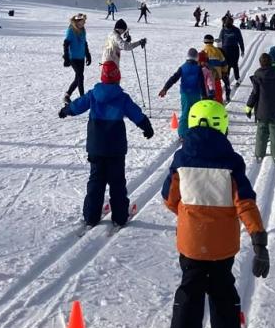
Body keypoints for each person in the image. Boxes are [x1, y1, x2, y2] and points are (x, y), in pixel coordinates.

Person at [161, 99, 269, 328]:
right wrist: (259, 241)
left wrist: (189, 214)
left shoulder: (181, 159)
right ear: (222, 125)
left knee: (189, 294)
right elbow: (245, 203)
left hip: (191, 244)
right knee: (223, 293)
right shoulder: (232, 162)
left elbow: (169, 199)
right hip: (222, 246)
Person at [59, 62, 154, 228]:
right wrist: (147, 127)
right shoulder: (122, 97)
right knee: (117, 182)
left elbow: (78, 105)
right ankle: (120, 217)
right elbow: (135, 113)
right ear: (118, 77)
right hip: (115, 148)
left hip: (96, 146)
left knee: (96, 181)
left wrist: (66, 110)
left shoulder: (93, 94)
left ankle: (91, 216)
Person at [246, 53, 275, 164]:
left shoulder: (258, 76)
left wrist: (249, 106)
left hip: (262, 110)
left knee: (261, 132)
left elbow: (255, 94)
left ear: (260, 63)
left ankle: (259, 154)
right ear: (271, 62)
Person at [159, 48, 207, 139]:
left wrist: (165, 88)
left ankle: (182, 134)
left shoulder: (182, 67)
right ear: (197, 57)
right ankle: (195, 131)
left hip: (185, 94)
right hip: (196, 94)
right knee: (196, 113)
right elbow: (202, 83)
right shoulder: (198, 69)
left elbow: (173, 78)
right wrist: (204, 96)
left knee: (185, 112)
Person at [63, 13, 92, 104]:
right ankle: (82, 97)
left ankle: (67, 95)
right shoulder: (71, 30)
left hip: (81, 57)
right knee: (80, 76)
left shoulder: (83, 30)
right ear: (77, 21)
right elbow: (66, 44)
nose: (83, 23)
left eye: (84, 22)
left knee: (78, 78)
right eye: (82, 22)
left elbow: (84, 43)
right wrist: (66, 57)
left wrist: (88, 55)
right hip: (73, 58)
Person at [201, 34, 229, 102]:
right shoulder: (218, 51)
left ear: (204, 41)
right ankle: (219, 105)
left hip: (206, 79)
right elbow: (224, 64)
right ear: (213, 41)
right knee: (218, 94)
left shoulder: (202, 51)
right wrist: (224, 72)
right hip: (216, 77)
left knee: (207, 96)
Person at [219, 16, 245, 85]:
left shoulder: (236, 30)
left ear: (232, 22)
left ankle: (237, 79)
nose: (228, 23)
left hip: (234, 49)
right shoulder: (223, 30)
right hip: (225, 50)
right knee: (227, 66)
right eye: (227, 22)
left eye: (229, 22)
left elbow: (240, 40)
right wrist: (219, 51)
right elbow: (220, 40)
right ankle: (227, 79)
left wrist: (242, 50)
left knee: (234, 65)